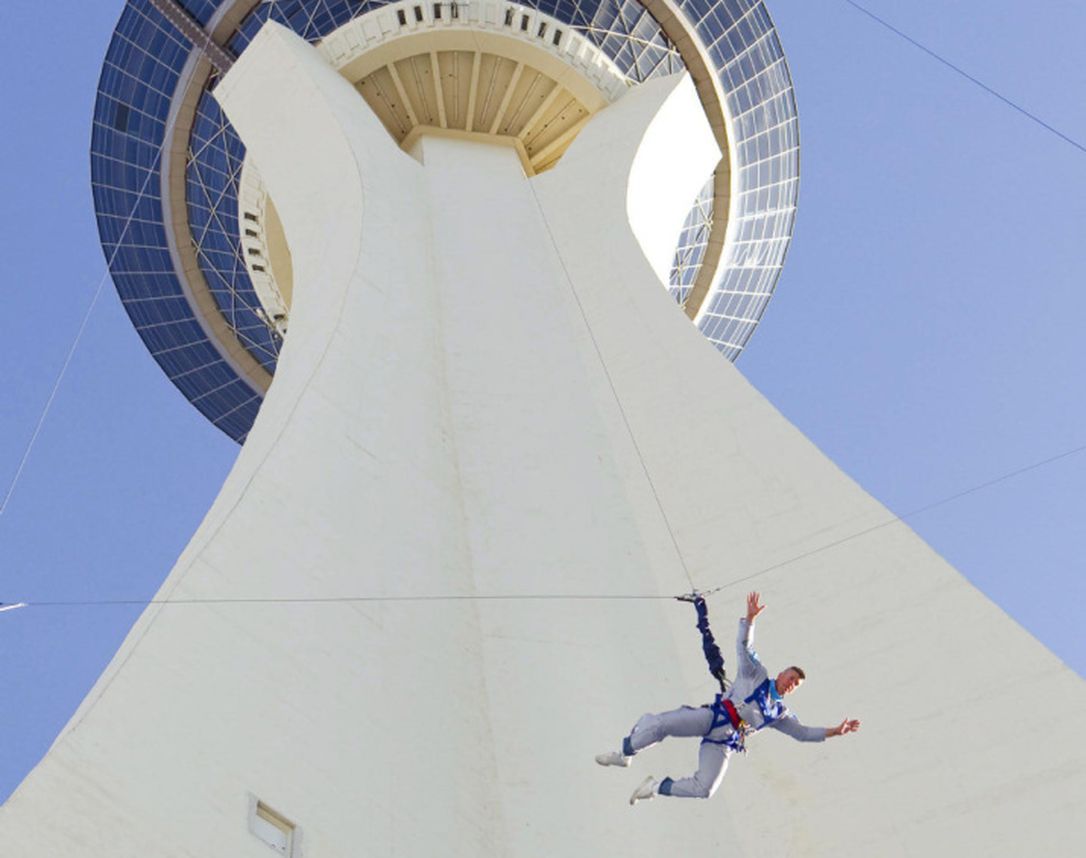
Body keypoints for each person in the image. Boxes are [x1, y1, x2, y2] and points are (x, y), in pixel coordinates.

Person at [595, 591, 860, 805]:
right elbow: (744, 646)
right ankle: (625, 752)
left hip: (725, 741)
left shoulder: (779, 713)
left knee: (705, 789)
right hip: (711, 717)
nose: (791, 684)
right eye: (790, 677)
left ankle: (655, 787)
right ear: (781, 674)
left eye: (796, 684)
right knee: (660, 725)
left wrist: (835, 731)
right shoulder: (755, 674)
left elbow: (802, 733)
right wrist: (750, 620)